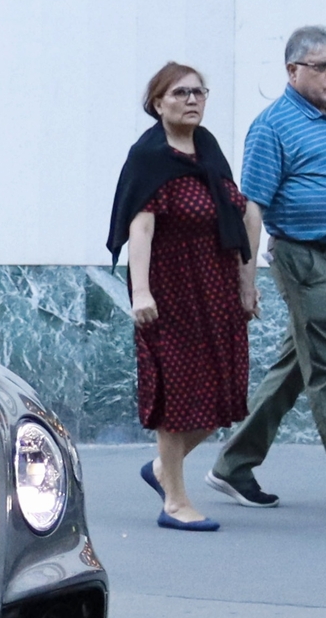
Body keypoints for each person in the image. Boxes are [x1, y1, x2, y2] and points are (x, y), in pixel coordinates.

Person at [207, 27, 326, 522]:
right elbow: (253, 209)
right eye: (322, 66)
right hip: (305, 260)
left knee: (299, 365)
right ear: (293, 71)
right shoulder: (273, 126)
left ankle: (233, 465)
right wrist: (245, 281)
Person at [109, 63, 261, 530]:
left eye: (199, 92)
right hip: (170, 292)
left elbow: (238, 210)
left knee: (223, 393)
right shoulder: (149, 156)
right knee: (176, 396)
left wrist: (246, 281)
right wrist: (140, 292)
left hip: (216, 288)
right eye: (181, 93)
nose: (192, 100)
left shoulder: (208, 146)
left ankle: (161, 470)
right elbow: (141, 226)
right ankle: (175, 500)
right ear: (158, 103)